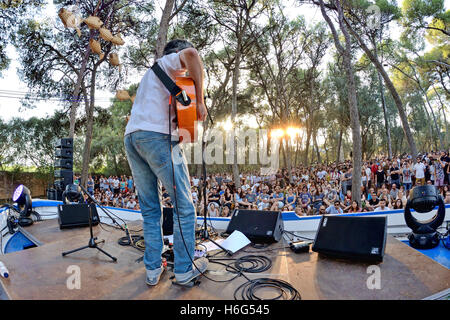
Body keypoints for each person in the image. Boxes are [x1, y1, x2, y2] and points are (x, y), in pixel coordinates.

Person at [123, 39, 208, 286]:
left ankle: (152, 269)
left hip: (132, 138)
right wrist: (200, 101)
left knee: (150, 208)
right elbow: (192, 54)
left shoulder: (150, 76)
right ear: (176, 53)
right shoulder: (171, 63)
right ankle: (183, 270)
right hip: (156, 138)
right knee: (184, 206)